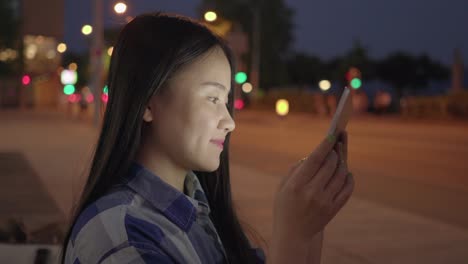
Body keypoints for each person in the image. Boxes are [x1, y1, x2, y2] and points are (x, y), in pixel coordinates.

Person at [60, 12, 354, 264]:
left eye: (226, 101)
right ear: (148, 102)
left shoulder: (194, 205)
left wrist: (309, 223)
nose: (229, 123)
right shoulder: (123, 238)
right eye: (212, 98)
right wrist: (293, 235)